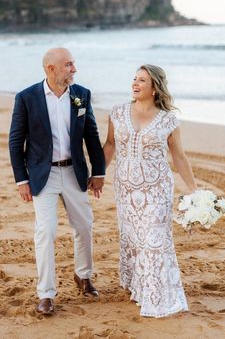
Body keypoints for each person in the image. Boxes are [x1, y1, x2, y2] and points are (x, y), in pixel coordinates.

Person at [9, 48, 105, 315]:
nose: (74, 69)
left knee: (84, 226)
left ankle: (84, 276)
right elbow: (16, 141)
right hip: (43, 175)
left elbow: (92, 135)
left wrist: (98, 172)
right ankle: (46, 293)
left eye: (73, 64)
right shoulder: (27, 97)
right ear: (50, 68)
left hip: (74, 173)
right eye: (68, 65)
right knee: (46, 231)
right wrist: (21, 180)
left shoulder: (81, 95)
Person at [103, 64, 197, 318]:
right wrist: (98, 174)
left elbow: (178, 155)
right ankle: (140, 288)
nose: (135, 83)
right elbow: (110, 144)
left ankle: (159, 298)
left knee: (155, 240)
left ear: (155, 87)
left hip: (156, 190)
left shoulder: (168, 120)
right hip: (126, 189)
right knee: (134, 239)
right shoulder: (118, 112)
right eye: (134, 79)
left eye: (142, 80)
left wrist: (194, 190)